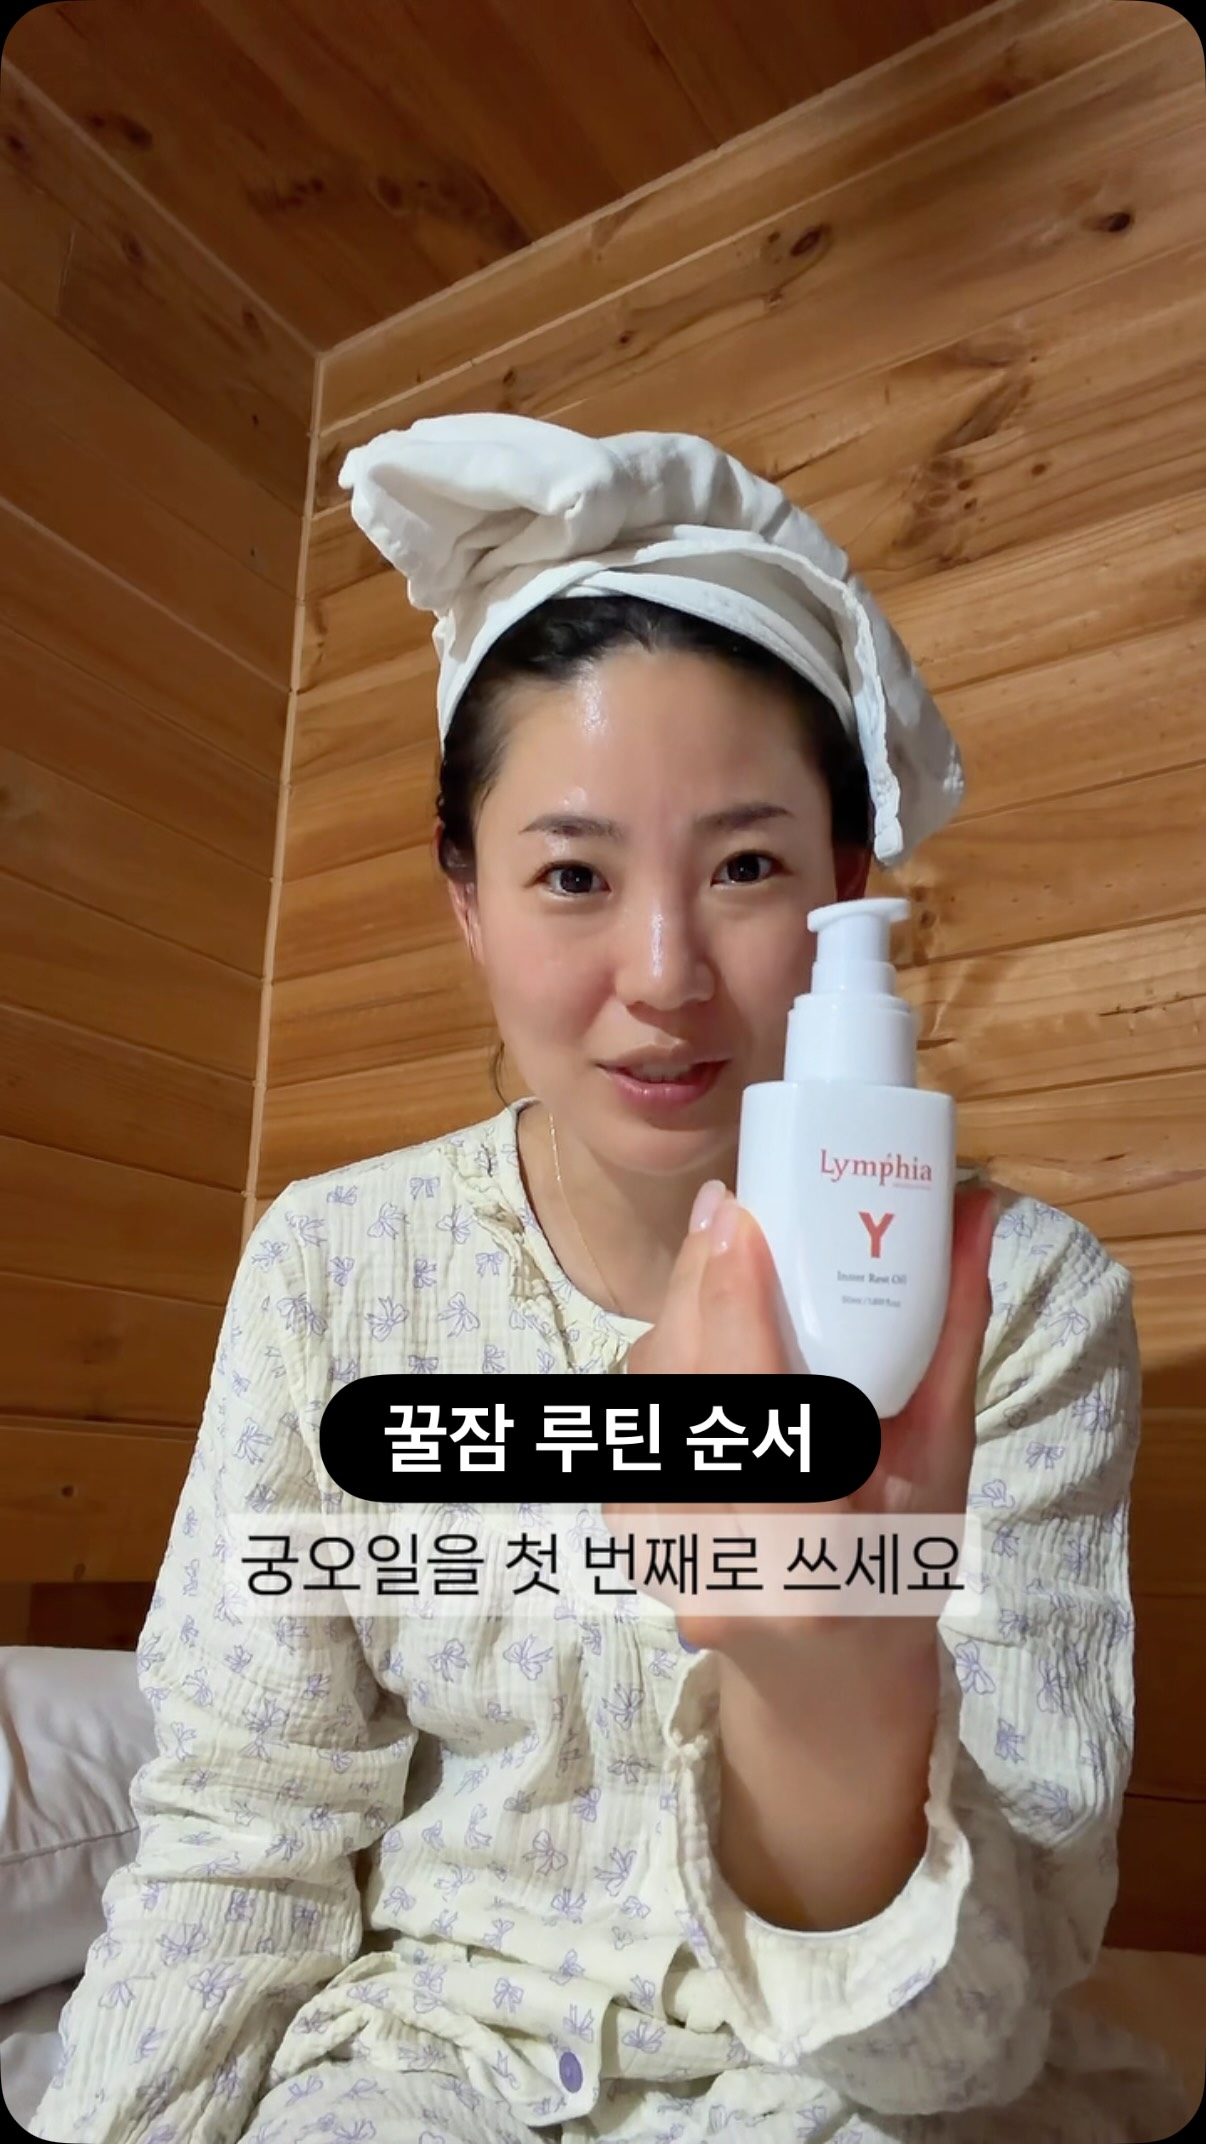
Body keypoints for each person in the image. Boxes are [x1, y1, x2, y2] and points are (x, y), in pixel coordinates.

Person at [31, 418, 1188, 2144]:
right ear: (468, 906)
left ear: (844, 893)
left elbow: (961, 2048)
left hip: (814, 2090)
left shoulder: (1013, 1304)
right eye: (571, 874)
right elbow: (243, 1830)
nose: (663, 974)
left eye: (745, 867)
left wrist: (829, 1696)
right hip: (419, 2062)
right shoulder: (333, 1267)